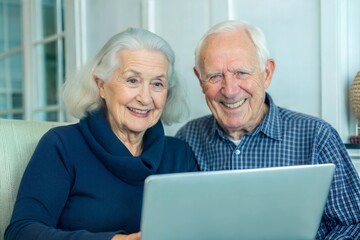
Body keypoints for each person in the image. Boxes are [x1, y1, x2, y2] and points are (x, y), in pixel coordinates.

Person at [5, 28, 198, 240]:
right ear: (101, 86)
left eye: (157, 84)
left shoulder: (180, 154)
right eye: (132, 80)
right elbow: (21, 231)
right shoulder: (62, 145)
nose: (145, 98)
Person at [176, 20, 360, 239]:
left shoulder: (317, 137)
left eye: (241, 73)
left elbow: (353, 224)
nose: (230, 90)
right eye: (215, 76)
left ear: (267, 73)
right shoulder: (187, 139)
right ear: (200, 80)